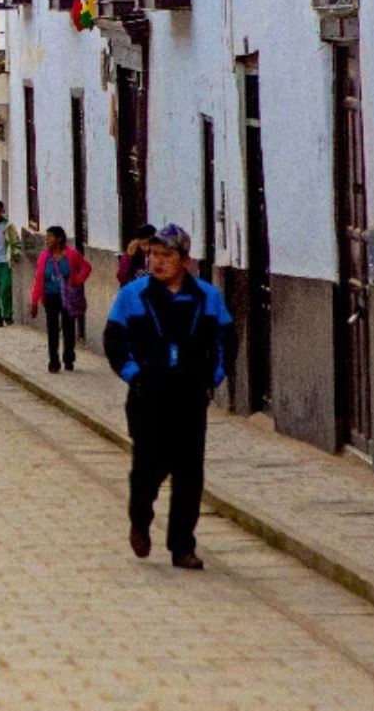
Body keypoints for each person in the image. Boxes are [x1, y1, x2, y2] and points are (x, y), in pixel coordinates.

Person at [104, 225, 236, 570]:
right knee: (148, 465)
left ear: (185, 260)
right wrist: (135, 374)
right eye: (153, 255)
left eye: (166, 256)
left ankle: (182, 546)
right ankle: (140, 519)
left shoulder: (207, 297)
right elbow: (114, 340)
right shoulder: (132, 295)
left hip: (190, 394)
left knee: (189, 471)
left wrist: (214, 377)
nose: (157, 262)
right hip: (148, 394)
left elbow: (227, 339)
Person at [30, 225, 93, 373]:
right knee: (52, 329)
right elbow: (38, 279)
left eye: (50, 236)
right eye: (47, 237)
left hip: (67, 297)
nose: (47, 240)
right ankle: (53, 361)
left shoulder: (72, 254)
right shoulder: (44, 257)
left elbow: (86, 267)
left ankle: (69, 357)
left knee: (68, 327)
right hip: (50, 296)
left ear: (59, 239)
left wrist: (77, 280)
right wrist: (34, 301)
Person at [117, 222, 157, 287]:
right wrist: (128, 256)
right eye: (142, 244)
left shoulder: (159, 255)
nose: (146, 247)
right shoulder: (135, 255)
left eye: (149, 243)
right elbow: (121, 277)